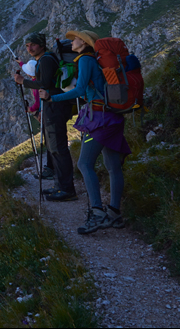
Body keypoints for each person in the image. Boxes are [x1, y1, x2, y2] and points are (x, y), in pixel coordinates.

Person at [49, 30, 131, 234]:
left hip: (99, 119)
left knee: (84, 163)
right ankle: (114, 213)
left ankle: (97, 213)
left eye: (75, 39)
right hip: (112, 116)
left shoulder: (85, 60)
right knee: (112, 166)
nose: (71, 41)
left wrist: (53, 98)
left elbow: (79, 90)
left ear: (84, 43)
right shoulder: (93, 59)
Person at [13, 33, 76, 201]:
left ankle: (67, 189)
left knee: (58, 147)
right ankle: (60, 185)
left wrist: (22, 81)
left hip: (54, 106)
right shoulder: (45, 60)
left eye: (33, 45)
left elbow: (45, 84)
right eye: (27, 46)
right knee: (54, 147)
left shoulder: (47, 60)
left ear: (41, 45)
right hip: (52, 106)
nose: (29, 48)